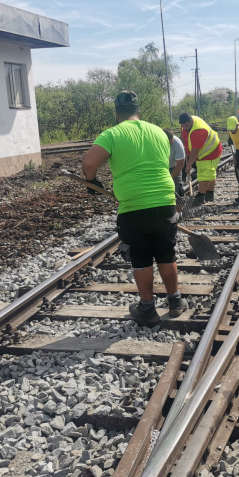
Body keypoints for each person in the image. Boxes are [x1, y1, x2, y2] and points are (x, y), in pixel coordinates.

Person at [82, 91, 188, 325]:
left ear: (117, 113)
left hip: (133, 206)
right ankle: (175, 302)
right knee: (166, 253)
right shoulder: (160, 132)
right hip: (165, 200)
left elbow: (89, 162)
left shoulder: (112, 133)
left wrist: (92, 181)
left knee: (141, 258)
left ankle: (148, 310)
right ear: (139, 111)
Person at [180, 113, 223, 206]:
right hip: (209, 150)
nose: (184, 127)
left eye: (186, 125)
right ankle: (209, 194)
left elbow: (195, 151)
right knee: (210, 173)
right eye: (183, 126)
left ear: (191, 121)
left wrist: (188, 165)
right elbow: (183, 137)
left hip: (210, 152)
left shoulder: (198, 131)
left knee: (204, 173)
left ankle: (200, 196)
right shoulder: (188, 123)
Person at [164, 128, 186, 198]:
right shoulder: (154, 142)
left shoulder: (177, 144)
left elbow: (180, 165)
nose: (170, 144)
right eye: (168, 142)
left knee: (178, 193)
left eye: (171, 141)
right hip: (161, 168)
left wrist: (169, 178)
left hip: (174, 167)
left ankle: (179, 208)